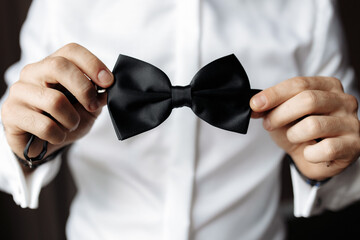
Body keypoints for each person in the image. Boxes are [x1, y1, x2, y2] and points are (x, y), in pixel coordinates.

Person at [1, 0, 360, 239]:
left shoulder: (307, 8)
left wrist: (325, 164)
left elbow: (349, 157)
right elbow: (10, 140)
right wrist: (23, 144)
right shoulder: (59, 5)